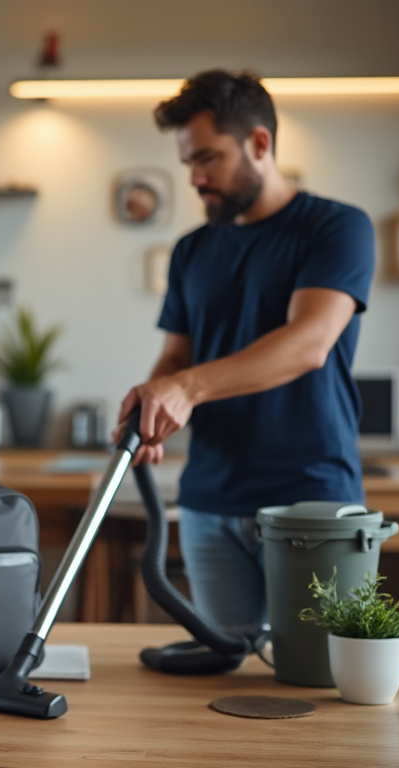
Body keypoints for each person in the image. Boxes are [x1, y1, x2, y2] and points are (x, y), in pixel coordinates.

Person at [113, 69, 375, 641]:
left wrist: (186, 389)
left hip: (312, 500)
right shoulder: (192, 250)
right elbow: (176, 356)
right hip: (209, 501)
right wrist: (153, 402)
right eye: (188, 164)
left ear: (260, 143)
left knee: (320, 679)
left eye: (208, 158)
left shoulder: (336, 228)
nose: (196, 178)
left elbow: (308, 343)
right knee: (224, 681)